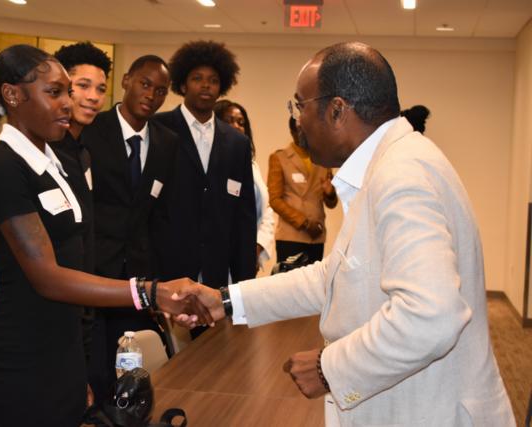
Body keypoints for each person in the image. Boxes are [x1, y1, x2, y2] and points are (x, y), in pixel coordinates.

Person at [175, 42, 515, 426]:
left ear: (337, 110)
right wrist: (226, 300)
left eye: (299, 106)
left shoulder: (402, 175)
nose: (297, 121)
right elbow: (335, 276)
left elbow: (431, 315)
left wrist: (329, 368)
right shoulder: (386, 165)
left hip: (428, 411)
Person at [0, 44, 207, 427]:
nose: (68, 102)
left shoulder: (56, 164)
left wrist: (80, 368)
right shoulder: (3, 169)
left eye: (67, 91)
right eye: (54, 92)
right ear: (12, 95)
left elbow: (79, 255)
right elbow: (48, 277)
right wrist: (149, 291)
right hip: (17, 359)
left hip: (62, 354)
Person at [80, 55, 179, 403]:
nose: (151, 94)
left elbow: (160, 217)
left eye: (161, 90)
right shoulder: (90, 131)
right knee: (95, 368)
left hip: (137, 275)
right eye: (145, 84)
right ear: (126, 81)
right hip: (92, 271)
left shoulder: (168, 143)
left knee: (132, 367)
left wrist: (162, 279)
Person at [154, 41, 256, 300]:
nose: (206, 85)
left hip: (216, 273)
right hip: (167, 267)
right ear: (183, 84)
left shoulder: (237, 143)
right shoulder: (158, 129)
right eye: (197, 78)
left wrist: (245, 284)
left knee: (214, 341)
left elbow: (244, 217)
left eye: (213, 79)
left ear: (222, 86)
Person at [214, 100, 275, 271]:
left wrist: (257, 246)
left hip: (248, 255)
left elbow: (265, 211)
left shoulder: (251, 165)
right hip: (218, 255)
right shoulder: (209, 164)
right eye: (229, 121)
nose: (237, 126)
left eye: (241, 122)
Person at [268, 116, 337, 264]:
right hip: (291, 236)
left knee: (313, 286)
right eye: (300, 130)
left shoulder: (323, 157)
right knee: (288, 285)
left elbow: (331, 204)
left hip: (316, 236)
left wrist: (330, 193)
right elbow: (275, 200)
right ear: (292, 131)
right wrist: (304, 223)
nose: (305, 133)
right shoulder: (279, 158)